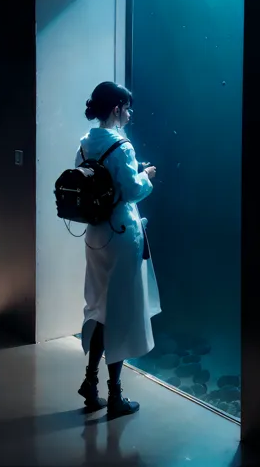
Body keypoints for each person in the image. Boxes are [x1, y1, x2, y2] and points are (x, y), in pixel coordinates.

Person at [76, 81, 162, 417]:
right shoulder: (122, 146)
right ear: (116, 109)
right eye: (127, 107)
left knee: (98, 308)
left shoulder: (86, 144)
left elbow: (98, 183)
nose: (129, 113)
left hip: (94, 234)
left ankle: (90, 380)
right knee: (121, 314)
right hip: (122, 234)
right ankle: (114, 396)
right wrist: (146, 175)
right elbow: (131, 190)